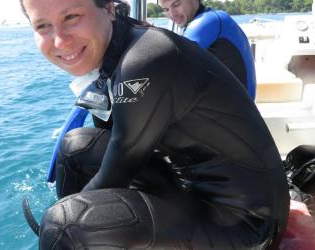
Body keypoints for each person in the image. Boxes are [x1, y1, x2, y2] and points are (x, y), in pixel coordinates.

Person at [20, 0, 289, 249]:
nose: (60, 40)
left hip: (248, 225)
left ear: (109, 8)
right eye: (43, 26)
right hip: (191, 190)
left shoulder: (145, 60)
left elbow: (116, 171)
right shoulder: (122, 48)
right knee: (76, 147)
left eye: (71, 16)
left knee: (63, 226)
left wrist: (56, 230)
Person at [160, 0, 257, 100]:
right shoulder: (213, 18)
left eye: (176, 4)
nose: (171, 14)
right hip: (235, 108)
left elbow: (174, 62)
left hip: (236, 112)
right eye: (166, 9)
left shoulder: (208, 21)